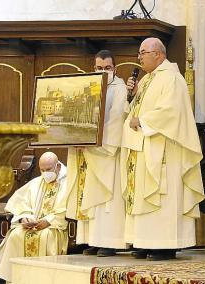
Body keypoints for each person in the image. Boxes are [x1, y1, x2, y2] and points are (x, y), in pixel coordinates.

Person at [121, 37, 204, 260]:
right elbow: (135, 108)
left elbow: (171, 111)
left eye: (143, 53)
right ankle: (144, 241)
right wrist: (133, 95)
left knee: (162, 196)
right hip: (143, 147)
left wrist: (143, 121)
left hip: (164, 148)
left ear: (158, 54)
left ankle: (164, 245)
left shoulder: (172, 78)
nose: (139, 58)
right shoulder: (148, 80)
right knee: (142, 195)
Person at [66, 50, 128, 257]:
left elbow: (117, 118)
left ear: (114, 69)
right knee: (87, 195)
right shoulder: (89, 85)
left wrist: (95, 143)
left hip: (106, 152)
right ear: (94, 68)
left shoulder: (119, 88)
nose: (103, 71)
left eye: (107, 68)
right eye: (99, 68)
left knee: (106, 199)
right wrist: (76, 137)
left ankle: (109, 241)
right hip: (87, 151)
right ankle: (91, 239)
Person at [0, 152, 70, 282]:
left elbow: (68, 209)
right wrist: (25, 218)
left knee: (45, 236)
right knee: (15, 235)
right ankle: (17, 280)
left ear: (57, 166)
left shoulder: (68, 183)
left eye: (48, 169)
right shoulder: (36, 182)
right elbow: (20, 203)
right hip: (33, 225)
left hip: (53, 227)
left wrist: (48, 221)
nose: (45, 173)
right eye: (42, 170)